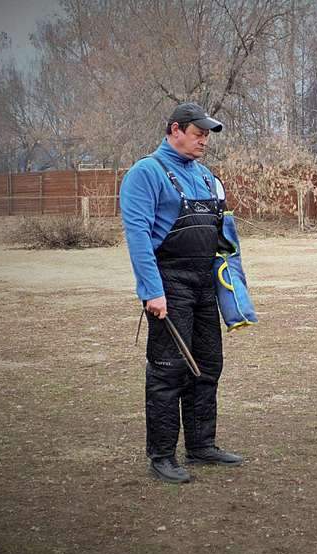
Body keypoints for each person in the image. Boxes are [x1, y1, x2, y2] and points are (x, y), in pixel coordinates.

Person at [120, 102, 243, 484]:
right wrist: (152, 292)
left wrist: (234, 288)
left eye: (207, 135)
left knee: (208, 364)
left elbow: (225, 238)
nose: (204, 140)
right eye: (198, 133)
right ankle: (161, 454)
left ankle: (201, 444)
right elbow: (138, 236)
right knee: (168, 370)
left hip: (205, 282)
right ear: (175, 130)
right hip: (169, 282)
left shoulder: (207, 177)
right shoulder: (146, 173)